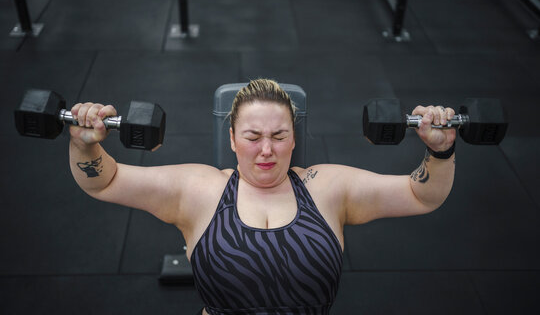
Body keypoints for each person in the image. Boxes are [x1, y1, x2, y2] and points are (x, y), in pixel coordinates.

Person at [69, 79, 456, 315]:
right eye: (253, 137)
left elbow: (420, 195)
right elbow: (105, 181)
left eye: (279, 136)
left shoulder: (327, 188)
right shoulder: (199, 190)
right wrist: (85, 144)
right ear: (233, 139)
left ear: (294, 138)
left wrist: (440, 151)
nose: (266, 150)